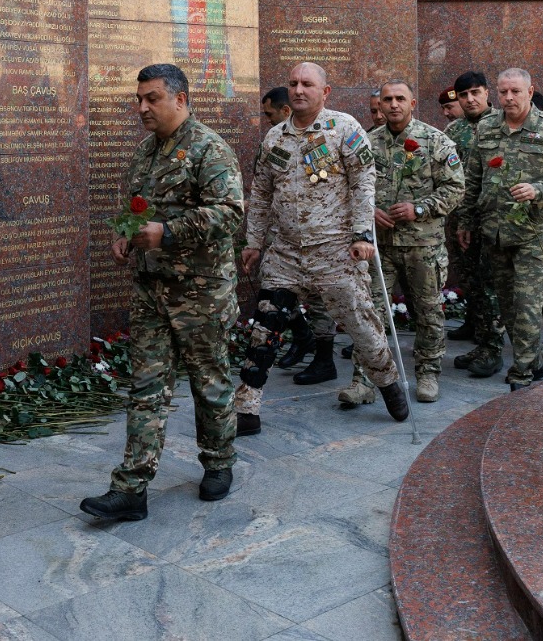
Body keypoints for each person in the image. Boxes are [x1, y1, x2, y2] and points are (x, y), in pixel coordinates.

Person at [81, 64, 246, 522]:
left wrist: (168, 233)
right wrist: (124, 233)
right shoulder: (144, 154)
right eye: (139, 99)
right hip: (151, 291)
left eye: (152, 98)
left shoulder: (210, 149)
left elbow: (230, 214)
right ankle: (131, 488)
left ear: (180, 98)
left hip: (201, 293)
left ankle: (218, 463)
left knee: (209, 382)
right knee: (146, 387)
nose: (142, 108)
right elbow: (135, 210)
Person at [241, 63, 410, 421]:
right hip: (285, 254)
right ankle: (246, 408)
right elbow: (260, 194)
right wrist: (253, 241)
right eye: (293, 84)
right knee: (264, 330)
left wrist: (363, 234)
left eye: (307, 84)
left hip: (335, 253)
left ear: (325, 91)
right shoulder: (274, 138)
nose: (299, 90)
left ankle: (390, 384)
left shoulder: (344, 128)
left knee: (363, 328)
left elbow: (363, 183)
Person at [456, 69, 543, 388]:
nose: (509, 98)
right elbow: (473, 179)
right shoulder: (486, 127)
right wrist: (466, 220)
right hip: (494, 232)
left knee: (526, 304)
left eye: (516, 92)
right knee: (508, 305)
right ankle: (533, 361)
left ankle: (521, 372)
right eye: (503, 92)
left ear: (530, 91)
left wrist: (539, 189)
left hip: (531, 233)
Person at [351, 79, 464, 404]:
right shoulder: (366, 143)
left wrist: (420, 208)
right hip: (379, 247)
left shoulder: (434, 141)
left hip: (422, 245)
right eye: (388, 99)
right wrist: (369, 210)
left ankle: (427, 372)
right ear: (381, 105)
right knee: (370, 313)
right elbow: (349, 188)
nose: (394, 105)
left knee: (428, 311)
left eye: (400, 99)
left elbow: (455, 188)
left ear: (412, 104)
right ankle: (364, 381)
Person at [234, 88, 316, 435]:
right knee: (271, 310)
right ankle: (248, 404)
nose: (266, 119)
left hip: (318, 244)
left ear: (285, 109)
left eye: (269, 113)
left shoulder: (326, 136)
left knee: (332, 305)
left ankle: (318, 349)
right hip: (281, 244)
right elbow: (265, 188)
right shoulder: (273, 140)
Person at [446, 71, 495, 353]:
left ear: (487, 93)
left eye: (475, 93)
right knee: (467, 272)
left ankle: (490, 332)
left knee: (489, 276)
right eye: (463, 95)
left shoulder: (501, 123)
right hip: (460, 213)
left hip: (489, 213)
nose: (470, 99)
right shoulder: (454, 130)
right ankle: (473, 320)